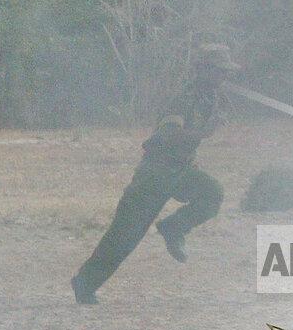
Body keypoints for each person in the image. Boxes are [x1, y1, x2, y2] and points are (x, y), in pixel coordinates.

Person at [71, 44, 238, 304]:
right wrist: (203, 132)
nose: (223, 77)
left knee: (212, 193)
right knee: (125, 236)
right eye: (218, 71)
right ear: (203, 71)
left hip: (181, 170)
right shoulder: (183, 98)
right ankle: (85, 283)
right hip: (155, 174)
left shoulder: (211, 97)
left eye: (225, 72)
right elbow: (168, 135)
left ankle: (174, 227)